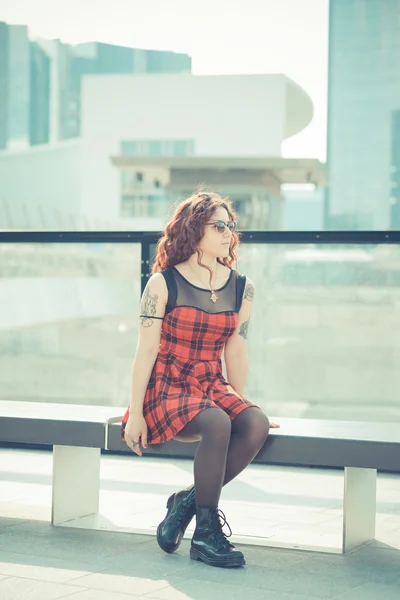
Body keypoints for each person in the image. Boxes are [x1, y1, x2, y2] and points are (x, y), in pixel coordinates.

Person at [121, 191, 279, 568]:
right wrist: (136, 412)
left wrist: (243, 404)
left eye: (231, 226)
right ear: (194, 231)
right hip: (168, 384)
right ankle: (206, 535)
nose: (229, 233)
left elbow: (236, 348)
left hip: (210, 382)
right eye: (219, 225)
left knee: (253, 423)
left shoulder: (242, 286)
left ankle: (186, 503)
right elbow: (145, 351)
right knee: (216, 422)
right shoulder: (163, 284)